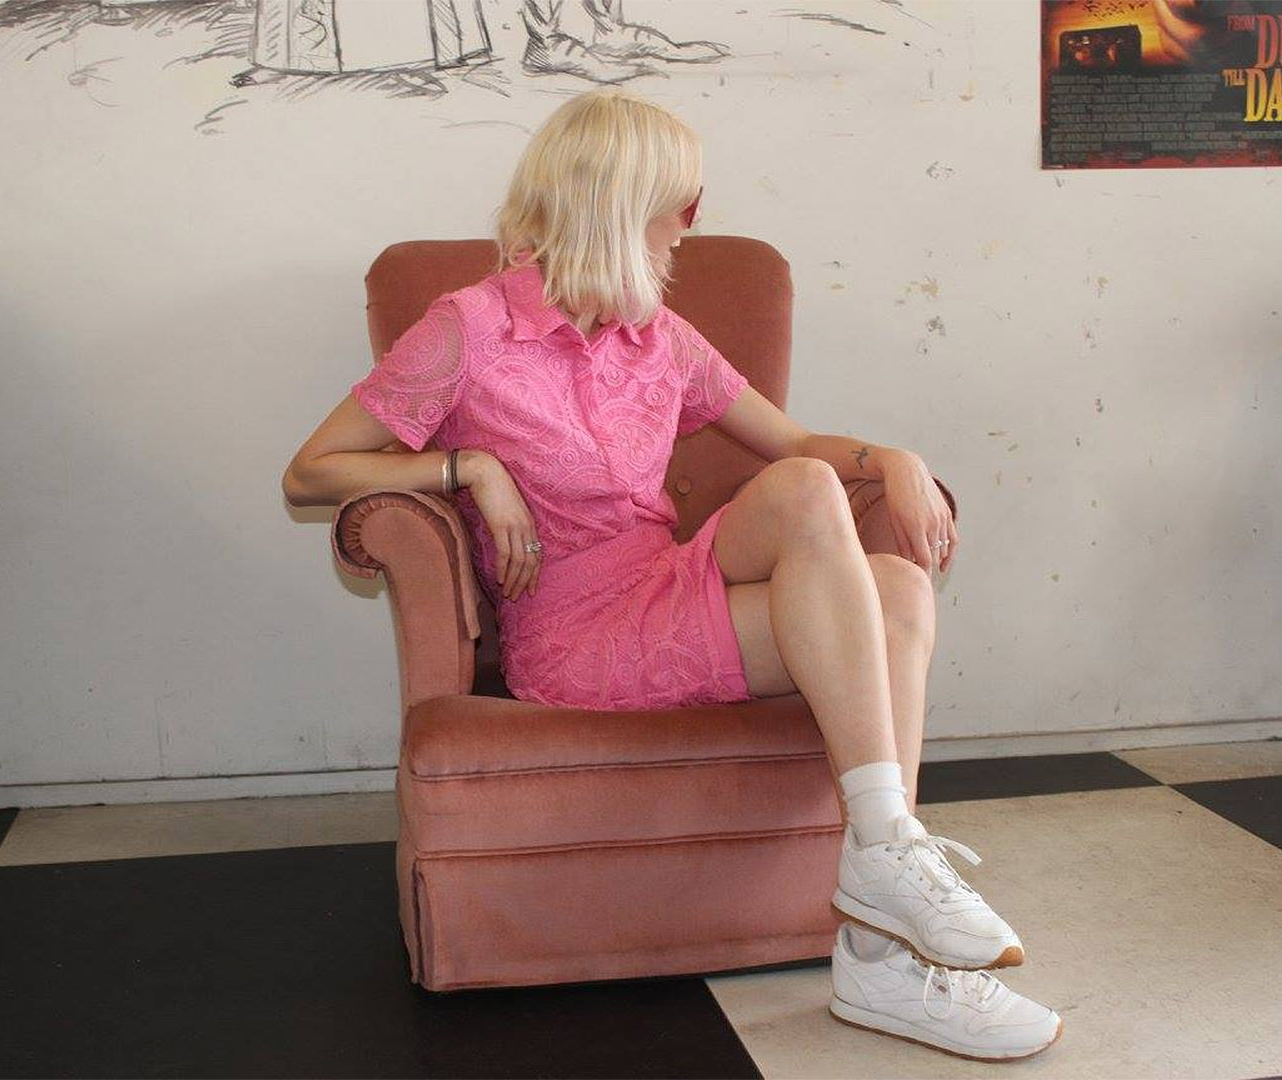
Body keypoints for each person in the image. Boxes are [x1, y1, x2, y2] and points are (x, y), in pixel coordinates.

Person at [282, 88, 1062, 1062]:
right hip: (575, 637)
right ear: (615, 202)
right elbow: (311, 470)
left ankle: (879, 923)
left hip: (666, 582)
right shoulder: (469, 330)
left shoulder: (661, 335)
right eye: (681, 205)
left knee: (873, 553)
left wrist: (890, 459)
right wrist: (464, 467)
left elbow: (797, 446)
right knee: (833, 520)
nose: (692, 228)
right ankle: (887, 915)